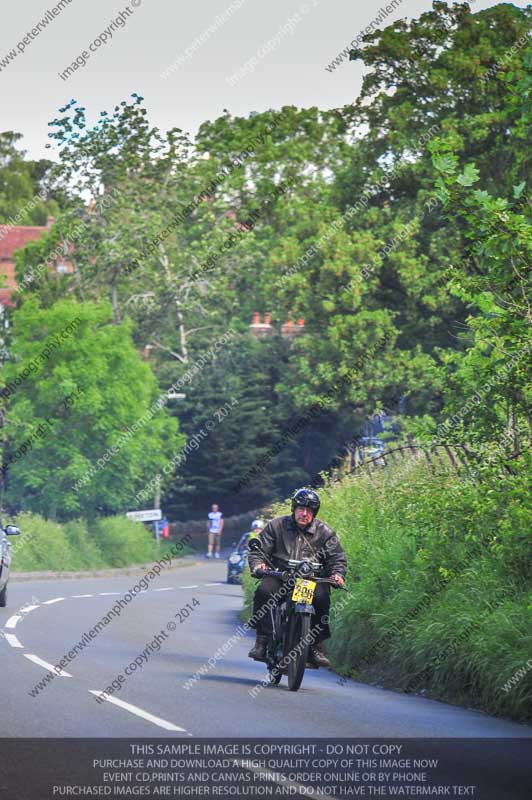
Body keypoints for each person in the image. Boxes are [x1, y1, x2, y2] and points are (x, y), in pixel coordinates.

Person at [247, 487, 347, 668]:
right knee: (264, 591)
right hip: (280, 575)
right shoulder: (276, 526)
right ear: (294, 508)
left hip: (309, 580)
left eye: (309, 510)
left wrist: (337, 574)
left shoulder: (325, 532)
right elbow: (259, 550)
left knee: (322, 597)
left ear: (314, 513)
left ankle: (315, 647)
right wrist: (259, 565)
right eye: (301, 508)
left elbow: (336, 558)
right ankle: (262, 641)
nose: (304, 513)